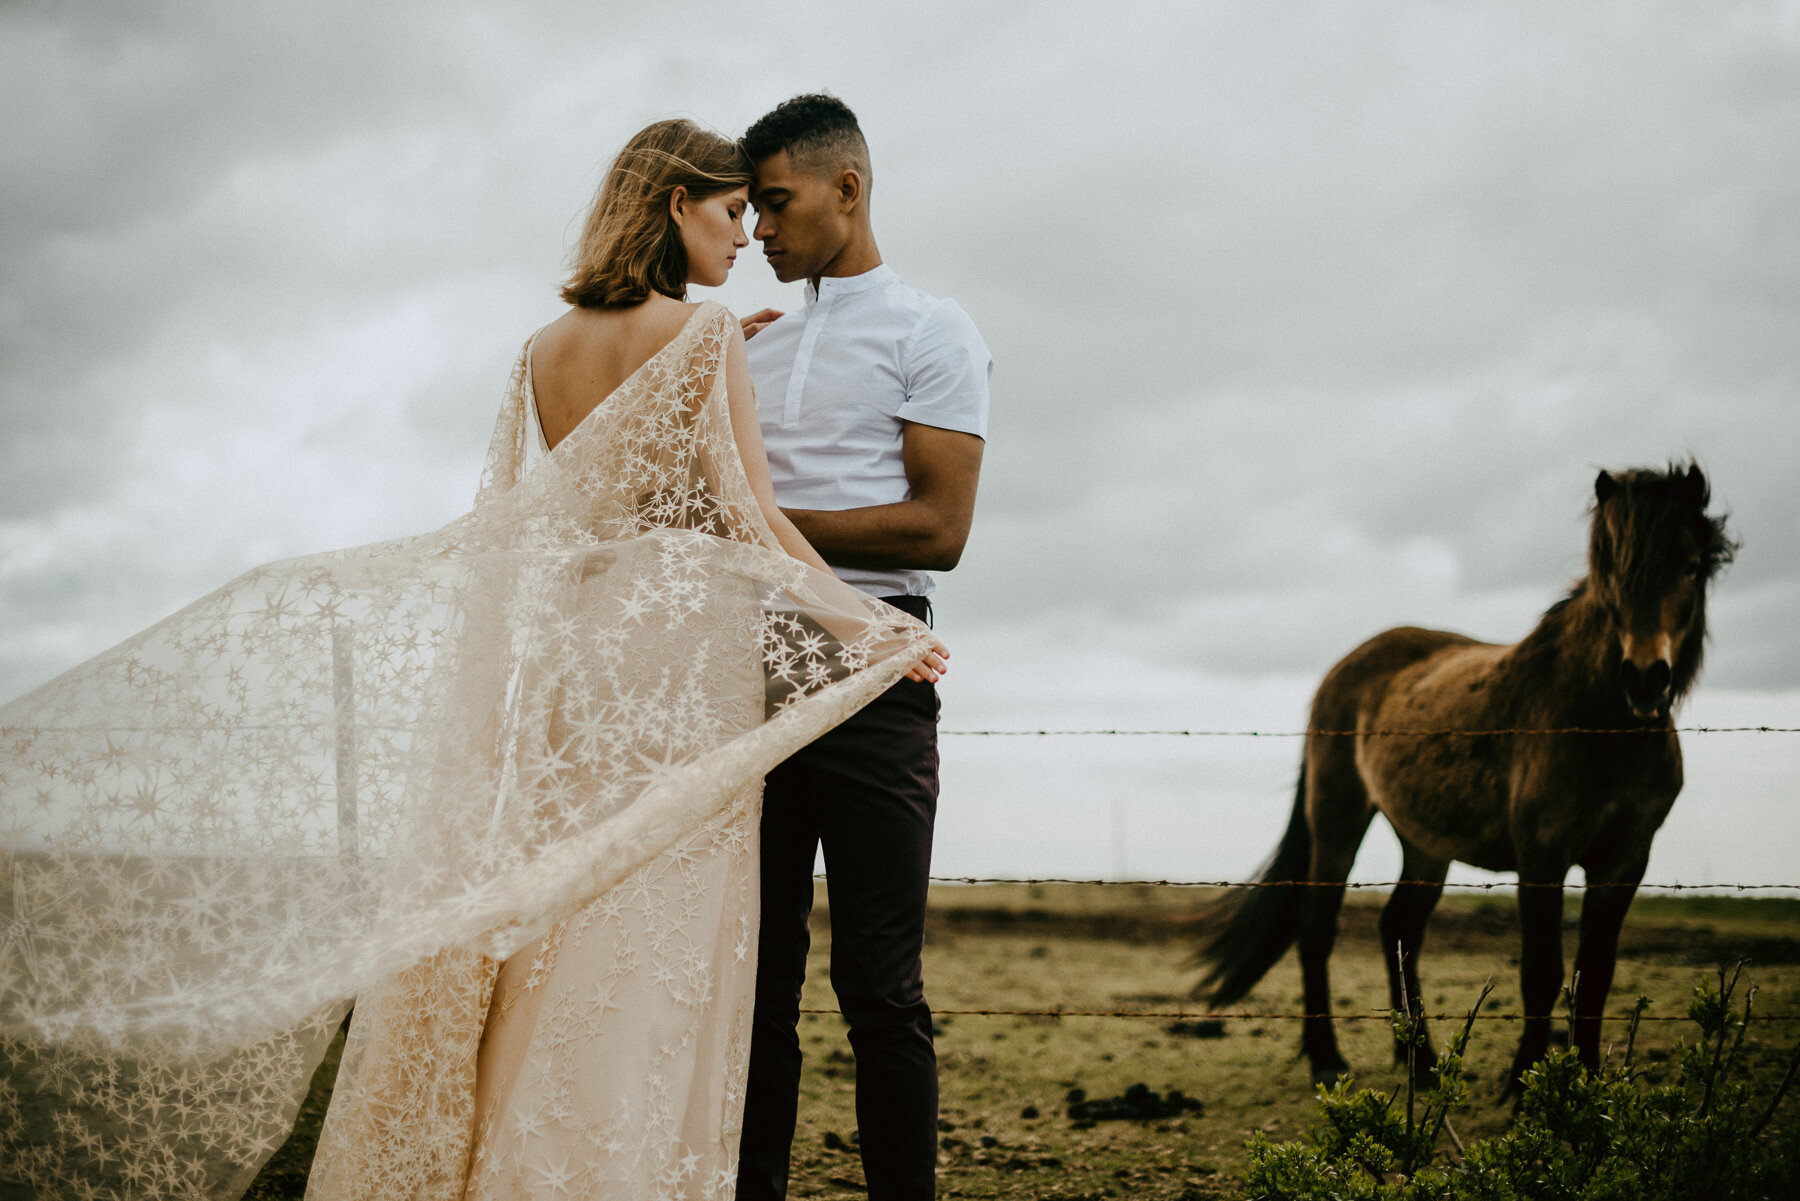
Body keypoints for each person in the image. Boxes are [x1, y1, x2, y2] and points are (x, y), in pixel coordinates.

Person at [0, 118, 942, 1201]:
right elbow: (749, 516)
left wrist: (712, 358)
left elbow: (581, 507)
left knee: (563, 915)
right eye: (733, 211)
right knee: (662, 929)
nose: (745, 236)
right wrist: (871, 627)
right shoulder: (708, 334)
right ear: (678, 204)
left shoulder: (542, 349)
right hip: (678, 665)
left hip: (582, 654)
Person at [732, 95, 992, 1201]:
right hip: (745, 674)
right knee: (756, 986)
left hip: (879, 672)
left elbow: (940, 528)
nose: (757, 232)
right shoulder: (750, 342)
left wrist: (763, 531)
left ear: (849, 189)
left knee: (880, 987)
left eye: (776, 204)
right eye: (747, 210)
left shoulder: (933, 331)